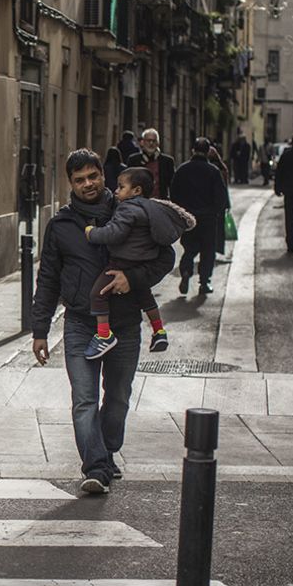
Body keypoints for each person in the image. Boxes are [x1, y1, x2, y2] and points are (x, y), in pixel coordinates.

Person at [30, 149, 175, 495]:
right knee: (84, 399)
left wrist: (133, 279)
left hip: (124, 324)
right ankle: (95, 466)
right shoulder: (61, 225)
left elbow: (167, 256)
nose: (88, 184)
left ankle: (106, 450)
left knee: (119, 398)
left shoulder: (129, 210)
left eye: (92, 176)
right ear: (70, 183)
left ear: (103, 176)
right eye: (79, 180)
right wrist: (40, 331)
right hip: (80, 323)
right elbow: (48, 278)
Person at [84, 166, 194, 359]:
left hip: (122, 262)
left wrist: (92, 233)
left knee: (98, 294)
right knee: (145, 296)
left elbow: (114, 233)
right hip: (142, 263)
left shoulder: (128, 208)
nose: (116, 190)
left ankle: (104, 335)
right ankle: (159, 331)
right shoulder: (152, 208)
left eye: (121, 187)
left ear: (136, 191)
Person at [171, 137, 230, 295]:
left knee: (189, 248)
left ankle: (185, 271)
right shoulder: (213, 171)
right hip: (208, 218)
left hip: (188, 217)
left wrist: (180, 212)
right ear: (208, 152)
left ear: (193, 150)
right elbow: (221, 196)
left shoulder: (182, 169)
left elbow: (174, 192)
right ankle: (204, 282)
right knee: (207, 250)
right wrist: (215, 211)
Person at [126, 128, 176, 198]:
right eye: (148, 140)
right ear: (142, 142)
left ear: (158, 143)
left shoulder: (167, 161)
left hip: (160, 202)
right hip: (138, 202)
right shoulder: (133, 160)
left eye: (154, 141)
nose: (151, 143)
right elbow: (128, 182)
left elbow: (173, 185)